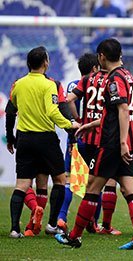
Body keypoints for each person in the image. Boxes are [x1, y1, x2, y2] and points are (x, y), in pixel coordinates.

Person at [55, 38, 133, 250]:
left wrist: (121, 142)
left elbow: (123, 110)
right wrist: (91, 125)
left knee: (93, 186)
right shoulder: (128, 75)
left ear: (102, 56)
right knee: (129, 188)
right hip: (131, 140)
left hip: (114, 143)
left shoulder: (114, 79)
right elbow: (115, 112)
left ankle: (75, 235)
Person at [6, 46, 80, 238]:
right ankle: (52, 224)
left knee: (22, 184)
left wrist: (10, 136)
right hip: (46, 138)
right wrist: (69, 125)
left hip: (24, 138)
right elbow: (53, 111)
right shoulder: (50, 85)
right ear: (46, 63)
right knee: (60, 180)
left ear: (28, 64)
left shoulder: (18, 84)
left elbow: (10, 112)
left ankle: (15, 229)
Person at [63, 53, 122, 236]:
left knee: (71, 181)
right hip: (100, 138)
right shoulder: (108, 81)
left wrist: (77, 120)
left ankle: (61, 218)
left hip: (79, 137)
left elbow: (68, 100)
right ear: (96, 66)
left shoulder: (79, 83)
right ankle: (94, 223)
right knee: (97, 184)